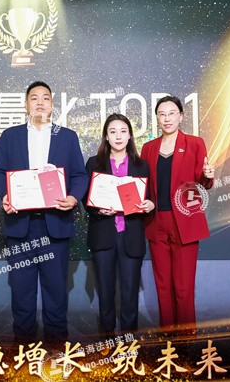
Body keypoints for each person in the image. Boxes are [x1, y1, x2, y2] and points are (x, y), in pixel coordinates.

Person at [0, 81, 89, 343]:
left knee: (55, 289)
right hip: (20, 225)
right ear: (26, 104)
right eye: (34, 98)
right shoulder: (11, 136)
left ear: (52, 104)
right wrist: (6, 195)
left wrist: (73, 197)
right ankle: (24, 345)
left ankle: (56, 344)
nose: (40, 102)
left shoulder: (67, 136)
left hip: (55, 223)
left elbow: (79, 175)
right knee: (21, 290)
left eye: (46, 98)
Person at [140, 95, 214, 335]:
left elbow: (203, 183)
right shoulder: (148, 148)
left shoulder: (194, 143)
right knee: (163, 284)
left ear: (181, 116)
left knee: (183, 286)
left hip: (184, 220)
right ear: (157, 119)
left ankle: (186, 334)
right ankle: (167, 333)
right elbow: (144, 184)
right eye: (162, 114)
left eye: (172, 113)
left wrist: (208, 176)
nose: (167, 118)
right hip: (156, 221)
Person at [84, 114, 154, 335]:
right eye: (113, 131)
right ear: (106, 136)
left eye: (123, 131)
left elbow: (150, 198)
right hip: (103, 233)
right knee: (105, 291)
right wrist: (98, 209)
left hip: (130, 235)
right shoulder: (94, 163)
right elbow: (86, 200)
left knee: (130, 291)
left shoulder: (141, 166)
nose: (118, 136)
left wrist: (149, 204)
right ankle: (107, 336)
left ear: (130, 135)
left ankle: (128, 336)